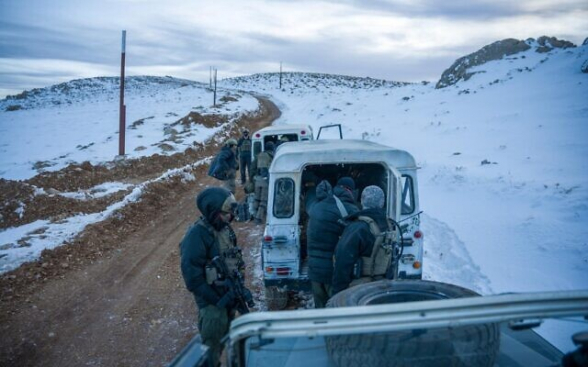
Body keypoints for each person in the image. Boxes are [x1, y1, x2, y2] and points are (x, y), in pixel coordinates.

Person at [179, 187, 250, 367]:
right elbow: (192, 279)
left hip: (227, 300)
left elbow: (235, 262)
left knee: (232, 344)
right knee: (211, 354)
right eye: (225, 214)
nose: (230, 218)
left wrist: (241, 289)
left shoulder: (225, 230)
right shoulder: (197, 235)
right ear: (213, 212)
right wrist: (218, 299)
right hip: (212, 307)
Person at [331, 185, 396, 296]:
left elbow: (343, 261)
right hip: (382, 286)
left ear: (362, 201)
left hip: (359, 289)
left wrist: (338, 292)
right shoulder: (389, 225)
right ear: (382, 202)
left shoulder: (358, 227)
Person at [306, 177, 359, 308]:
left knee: (320, 309)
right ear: (349, 190)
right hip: (333, 272)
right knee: (336, 309)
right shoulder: (350, 210)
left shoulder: (317, 206)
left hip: (314, 270)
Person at [251, 141, 275, 224]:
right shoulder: (272, 156)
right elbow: (268, 169)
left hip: (257, 179)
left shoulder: (259, 155)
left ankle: (254, 214)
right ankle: (258, 218)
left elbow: (253, 167)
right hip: (266, 180)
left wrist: (252, 179)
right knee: (264, 200)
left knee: (257, 198)